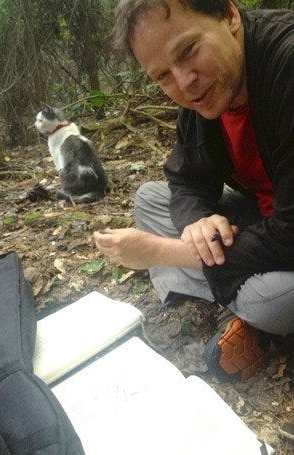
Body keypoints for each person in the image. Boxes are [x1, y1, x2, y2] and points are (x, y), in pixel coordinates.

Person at [94, 0, 294, 381]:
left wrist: (166, 251)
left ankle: (250, 314)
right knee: (151, 199)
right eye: (163, 76)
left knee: (270, 300)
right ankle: (242, 305)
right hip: (265, 225)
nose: (184, 83)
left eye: (188, 51)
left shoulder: (285, 64)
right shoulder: (206, 93)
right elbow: (184, 180)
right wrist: (199, 222)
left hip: (286, 236)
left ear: (230, 16)